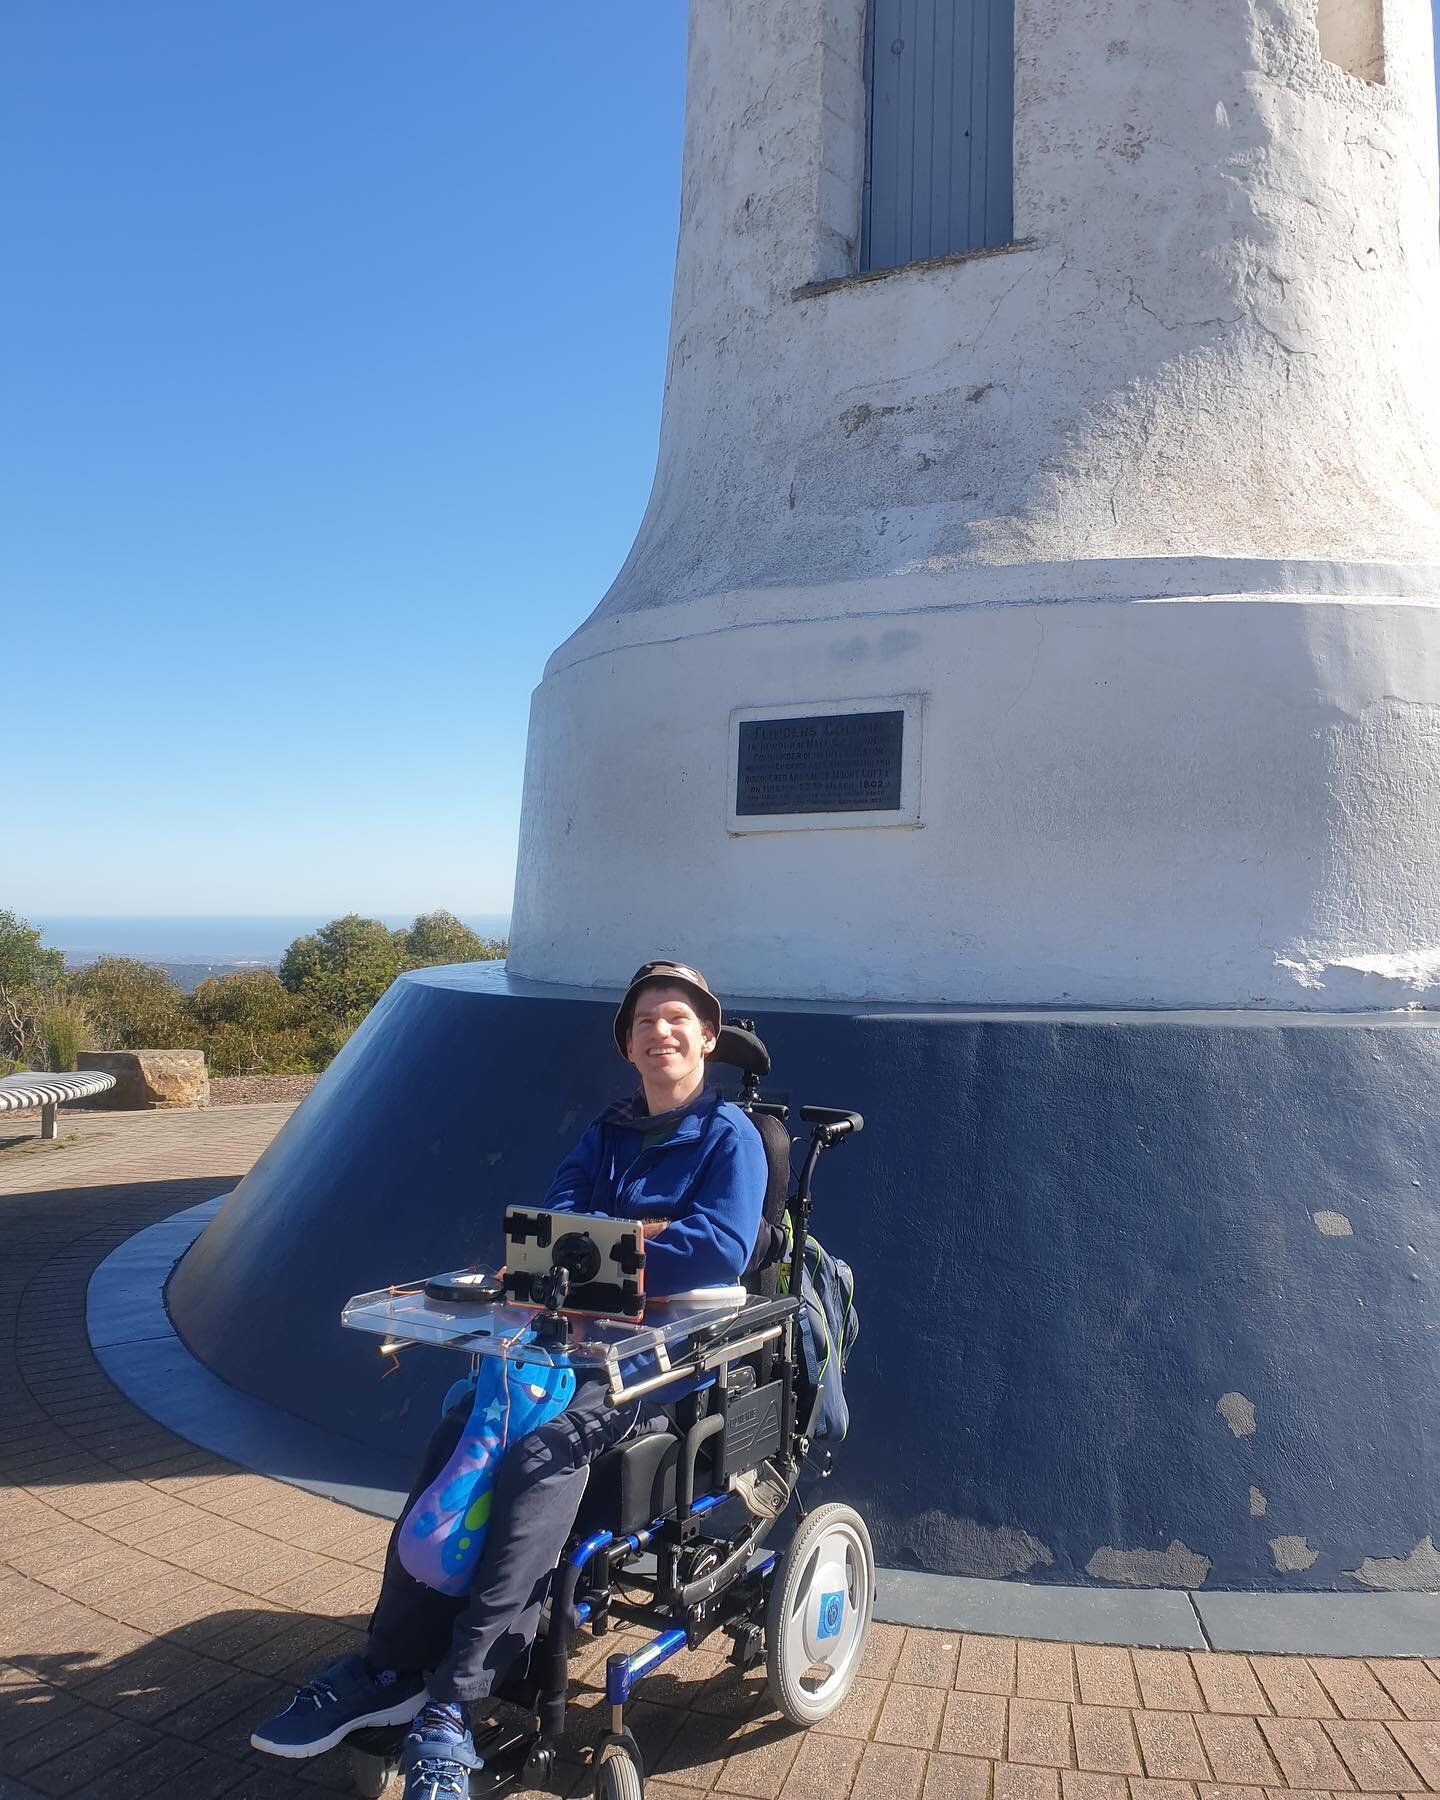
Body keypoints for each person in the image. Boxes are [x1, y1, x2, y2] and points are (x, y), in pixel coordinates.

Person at [252, 959, 767, 1799]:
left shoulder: (731, 1138)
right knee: (458, 1434)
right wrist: (636, 1239)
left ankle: (453, 1705)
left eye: (677, 1018)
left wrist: (595, 1246)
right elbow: (540, 1244)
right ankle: (388, 1664)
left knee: (535, 1461)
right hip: (556, 1350)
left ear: (708, 1036)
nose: (660, 1032)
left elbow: (714, 1251)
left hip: (651, 1370)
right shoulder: (604, 1134)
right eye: (643, 1022)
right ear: (628, 1046)